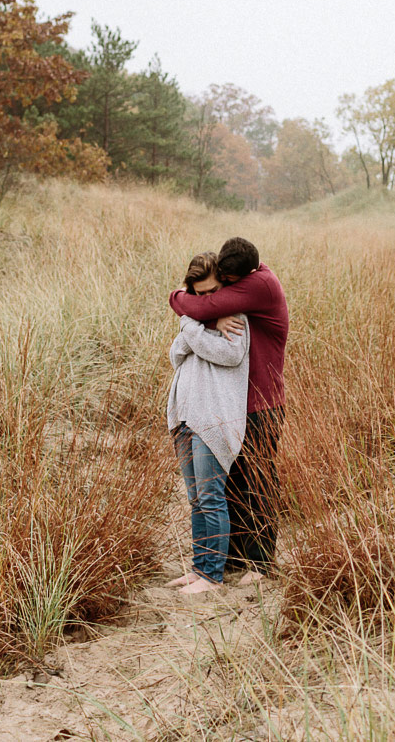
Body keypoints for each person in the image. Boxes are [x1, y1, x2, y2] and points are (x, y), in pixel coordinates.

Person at [167, 237, 288, 585]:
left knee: (258, 482)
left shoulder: (259, 285)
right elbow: (199, 311)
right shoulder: (238, 285)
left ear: (241, 276)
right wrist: (186, 305)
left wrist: (180, 303)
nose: (224, 293)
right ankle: (233, 559)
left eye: (227, 284)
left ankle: (261, 565)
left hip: (261, 402)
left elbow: (199, 308)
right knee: (232, 484)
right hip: (232, 401)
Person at [165, 251, 251, 595]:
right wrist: (202, 328)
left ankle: (212, 576)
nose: (206, 301)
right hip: (185, 414)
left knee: (212, 497)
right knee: (197, 498)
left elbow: (230, 355)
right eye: (198, 296)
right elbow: (175, 355)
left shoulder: (236, 317)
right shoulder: (205, 320)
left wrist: (190, 325)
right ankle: (200, 568)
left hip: (214, 418)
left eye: (212, 292)